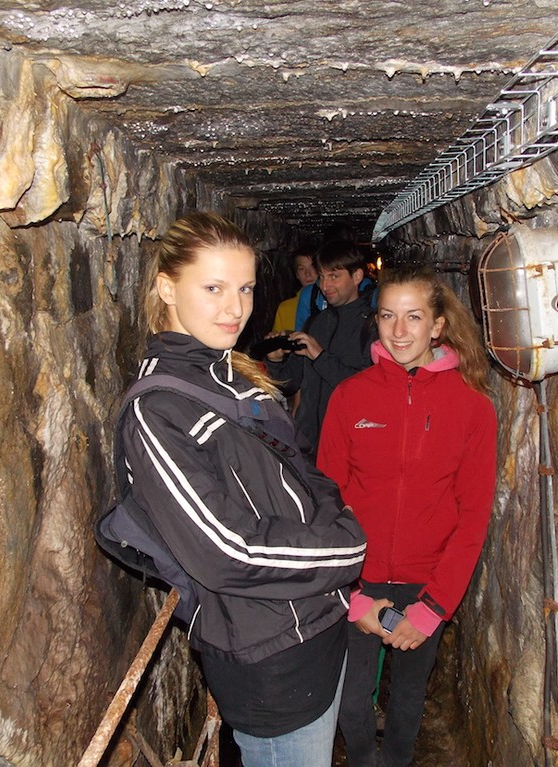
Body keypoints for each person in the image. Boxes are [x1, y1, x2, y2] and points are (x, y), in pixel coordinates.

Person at [121, 212, 366, 767]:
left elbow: (302, 467)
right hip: (272, 656)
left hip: (318, 625)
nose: (235, 308)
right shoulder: (158, 409)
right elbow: (229, 550)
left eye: (246, 289)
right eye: (213, 288)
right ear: (167, 288)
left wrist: (336, 516)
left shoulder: (230, 374)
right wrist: (345, 547)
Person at [317, 266, 498, 767]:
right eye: (387, 316)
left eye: (413, 317)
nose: (399, 331)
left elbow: (473, 515)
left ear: (437, 326)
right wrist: (349, 594)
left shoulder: (472, 407)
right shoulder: (350, 397)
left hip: (426, 583)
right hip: (358, 577)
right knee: (351, 700)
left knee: (407, 701)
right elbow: (326, 500)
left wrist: (434, 607)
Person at [265, 239, 377, 460]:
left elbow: (367, 391)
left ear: (356, 276)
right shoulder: (314, 323)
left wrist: (320, 356)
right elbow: (291, 384)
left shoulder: (373, 327)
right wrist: (275, 361)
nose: (325, 286)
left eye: (334, 276)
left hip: (349, 445)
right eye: (322, 277)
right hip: (308, 443)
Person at [272, 252, 318, 333]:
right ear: (296, 274)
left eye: (312, 267)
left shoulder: (331, 300)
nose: (308, 274)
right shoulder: (285, 308)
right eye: (302, 269)